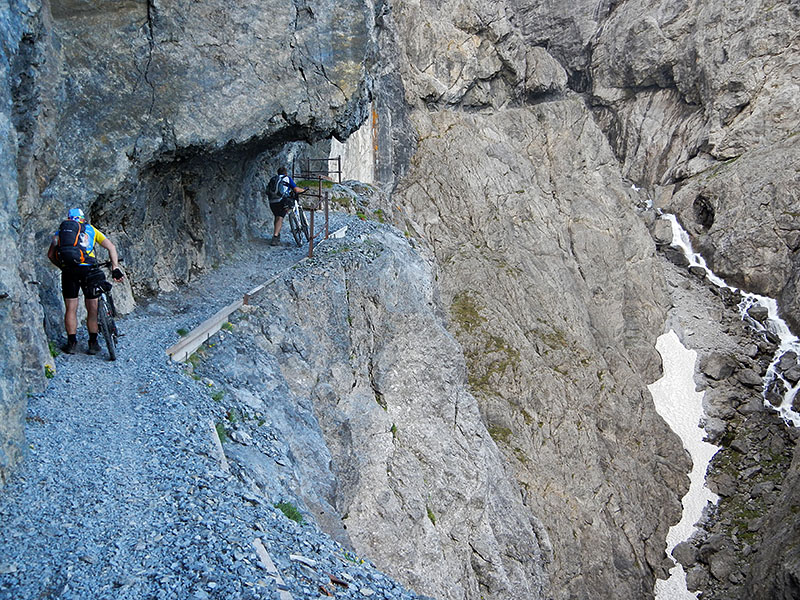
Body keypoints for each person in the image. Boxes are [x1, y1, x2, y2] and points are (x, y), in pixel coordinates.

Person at [47, 208, 124, 355]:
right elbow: (111, 247)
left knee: (71, 308)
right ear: (82, 219)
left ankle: (71, 343)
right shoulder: (91, 230)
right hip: (89, 270)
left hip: (69, 271)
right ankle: (93, 343)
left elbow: (50, 255)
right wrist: (115, 266)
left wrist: (63, 267)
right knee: (92, 308)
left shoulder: (60, 233)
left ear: (69, 219)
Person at [268, 167, 306, 246]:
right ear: (286, 173)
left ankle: (277, 234)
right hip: (282, 200)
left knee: (277, 216)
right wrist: (304, 190)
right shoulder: (287, 178)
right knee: (280, 217)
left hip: (272, 201)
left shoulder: (273, 179)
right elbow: (296, 189)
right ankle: (275, 237)